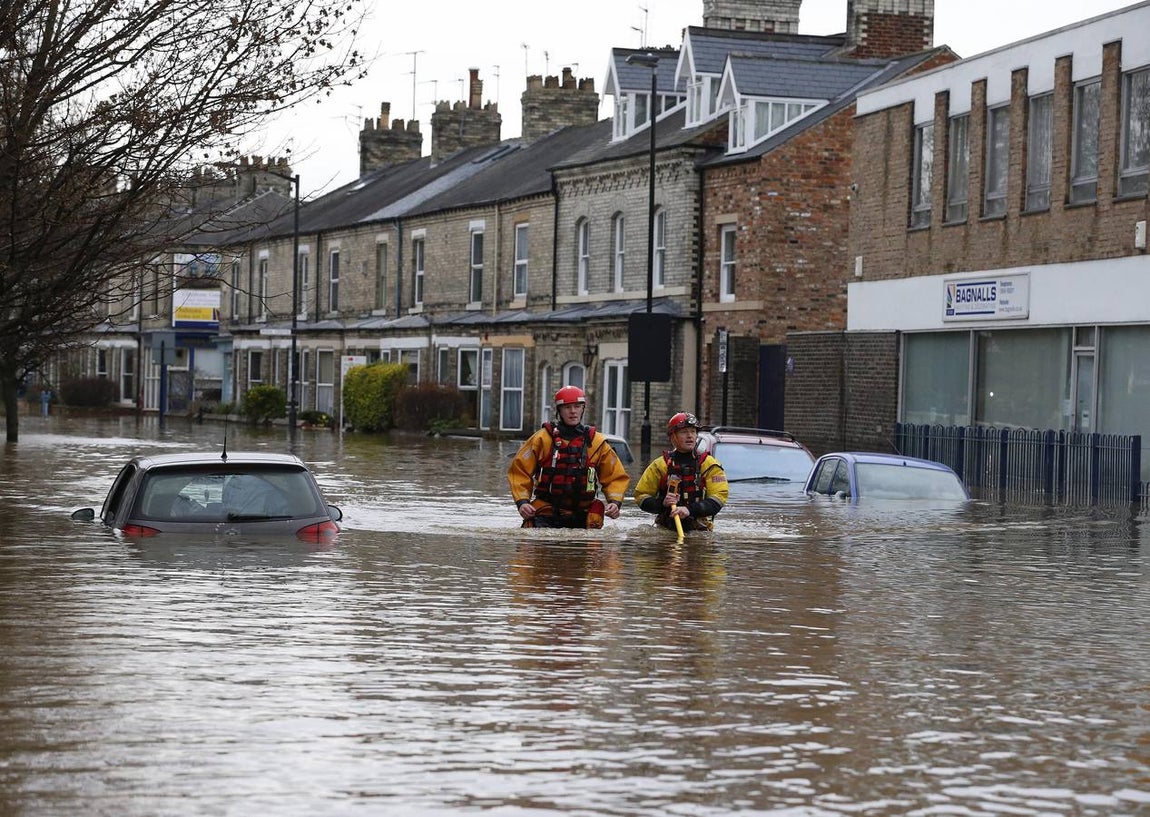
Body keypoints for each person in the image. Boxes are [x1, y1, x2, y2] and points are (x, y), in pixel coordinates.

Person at [508, 385, 631, 528]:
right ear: (559, 410)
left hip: (583, 514)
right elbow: (519, 471)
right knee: (529, 546)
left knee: (596, 547)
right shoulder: (541, 439)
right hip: (546, 512)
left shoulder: (597, 443)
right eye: (567, 407)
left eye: (577, 406)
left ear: (583, 408)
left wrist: (615, 503)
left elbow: (615, 476)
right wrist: (522, 502)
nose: (573, 412)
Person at [634, 412, 729, 532]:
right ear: (673, 437)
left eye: (693, 432)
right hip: (666, 528)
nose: (690, 436)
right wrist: (662, 503)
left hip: (699, 530)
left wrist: (690, 510)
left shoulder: (709, 465)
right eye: (684, 432)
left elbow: (719, 498)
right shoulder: (660, 465)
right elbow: (641, 496)